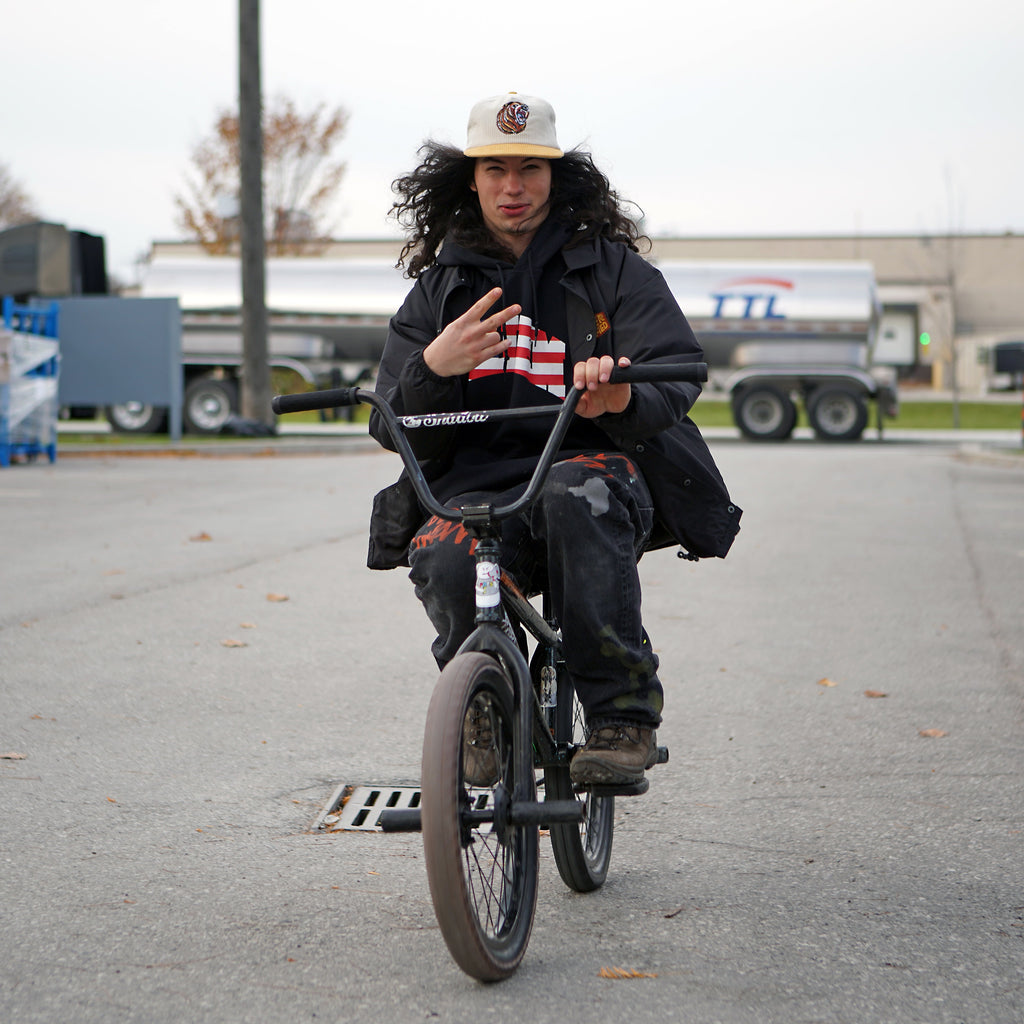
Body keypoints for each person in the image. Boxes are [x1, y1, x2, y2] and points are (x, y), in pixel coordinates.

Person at [367, 91, 741, 788]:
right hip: (478, 489)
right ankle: (482, 703)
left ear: (557, 176)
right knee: (443, 556)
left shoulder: (615, 272)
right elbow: (390, 422)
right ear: (469, 179)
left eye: (531, 169)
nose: (514, 187)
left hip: (591, 467)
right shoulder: (436, 292)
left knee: (579, 493)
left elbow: (682, 371)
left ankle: (621, 717)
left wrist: (621, 394)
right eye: (495, 170)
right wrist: (431, 370)